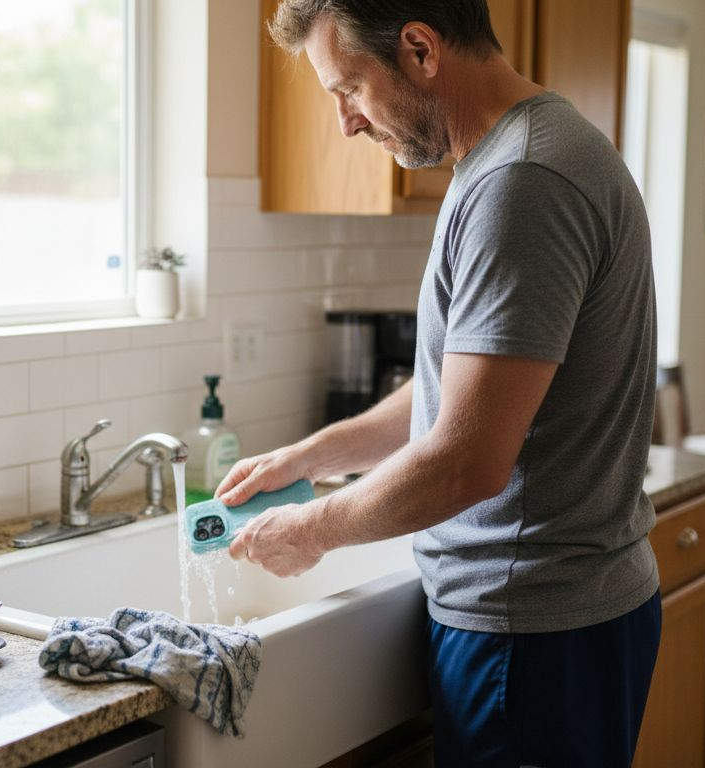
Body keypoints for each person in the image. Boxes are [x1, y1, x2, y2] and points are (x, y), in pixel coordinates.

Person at [216, 2, 661, 766]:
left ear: (420, 49)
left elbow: (465, 460)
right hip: (554, 622)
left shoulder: (522, 184)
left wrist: (311, 530)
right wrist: (312, 458)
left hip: (531, 633)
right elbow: (461, 390)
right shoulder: (518, 155)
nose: (347, 123)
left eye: (348, 88)